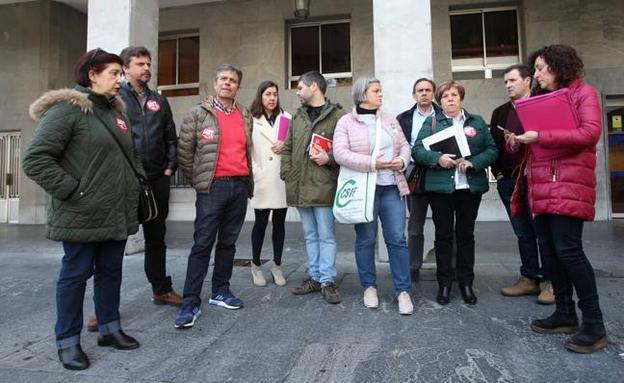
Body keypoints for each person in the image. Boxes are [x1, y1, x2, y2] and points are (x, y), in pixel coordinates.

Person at [23, 48, 141, 370]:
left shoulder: (117, 113)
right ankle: (67, 341)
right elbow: (35, 159)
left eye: (121, 73)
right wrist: (74, 190)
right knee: (74, 277)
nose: (121, 79)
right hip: (81, 212)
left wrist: (137, 182)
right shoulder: (68, 110)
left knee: (111, 274)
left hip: (115, 212)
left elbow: (129, 158)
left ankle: (109, 328)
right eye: (114, 73)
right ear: (92, 74)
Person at [510, 45, 607, 353]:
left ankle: (593, 324)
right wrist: (519, 142)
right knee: (549, 252)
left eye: (540, 68)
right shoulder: (540, 99)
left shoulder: (584, 93)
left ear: (558, 66)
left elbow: (590, 133)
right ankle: (565, 313)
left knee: (570, 252)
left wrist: (541, 136)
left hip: (568, 183)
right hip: (540, 185)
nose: (536, 75)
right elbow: (536, 143)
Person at [174, 64, 253, 328]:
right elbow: (185, 153)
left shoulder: (245, 114)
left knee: (228, 244)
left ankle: (220, 291)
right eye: (223, 79)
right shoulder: (198, 113)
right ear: (215, 82)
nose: (227, 83)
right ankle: (190, 302)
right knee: (202, 244)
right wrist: (200, 180)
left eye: (233, 80)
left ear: (238, 87)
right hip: (212, 188)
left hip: (239, 186)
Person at [413, 80, 498, 306]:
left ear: (461, 97)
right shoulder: (432, 122)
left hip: (469, 189)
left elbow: (492, 149)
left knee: (465, 236)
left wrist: (474, 163)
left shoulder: (477, 122)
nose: (450, 98)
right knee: (443, 237)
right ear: (439, 101)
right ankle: (444, 284)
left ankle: (466, 283)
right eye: (445, 96)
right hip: (441, 189)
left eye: (454, 94)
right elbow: (417, 150)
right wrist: (437, 158)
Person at [333, 76, 413, 315]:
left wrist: (401, 160)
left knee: (397, 239)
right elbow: (339, 153)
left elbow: (405, 145)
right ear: (362, 94)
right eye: (376, 91)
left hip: (391, 186)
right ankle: (369, 287)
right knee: (366, 239)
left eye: (381, 90)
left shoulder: (389, 120)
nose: (381, 94)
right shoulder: (346, 122)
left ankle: (403, 291)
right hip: (364, 189)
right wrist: (371, 163)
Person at [118, 46, 181, 305]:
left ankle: (161, 290)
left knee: (157, 237)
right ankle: (105, 305)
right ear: (125, 68)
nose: (146, 68)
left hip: (157, 178)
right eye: (140, 64)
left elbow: (170, 137)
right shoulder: (115, 99)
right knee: (114, 242)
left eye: (148, 64)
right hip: (126, 180)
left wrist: (170, 167)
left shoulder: (159, 100)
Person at [491, 64, 554, 305]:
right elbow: (494, 147)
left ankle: (551, 282)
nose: (507, 85)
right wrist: (498, 174)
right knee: (523, 233)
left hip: (538, 180)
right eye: (505, 81)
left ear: (528, 80)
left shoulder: (544, 104)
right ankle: (529, 278)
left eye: (512, 80)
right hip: (509, 181)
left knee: (544, 233)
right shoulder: (500, 112)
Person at [281, 71, 345, 304]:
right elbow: (287, 148)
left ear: (314, 87)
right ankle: (315, 277)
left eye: (300, 87)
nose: (297, 92)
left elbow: (346, 150)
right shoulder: (297, 117)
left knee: (326, 236)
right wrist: (286, 173)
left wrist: (328, 158)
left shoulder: (338, 116)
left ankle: (327, 280)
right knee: (310, 235)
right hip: (299, 184)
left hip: (325, 185)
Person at [396, 78, 442, 281]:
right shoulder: (403, 118)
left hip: (440, 172)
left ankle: (447, 266)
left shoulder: (444, 115)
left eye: (427, 90)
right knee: (415, 226)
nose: (423, 93)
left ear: (433, 93)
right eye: (419, 90)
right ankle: (413, 267)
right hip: (414, 175)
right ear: (414, 94)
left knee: (445, 224)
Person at [248, 80, 290, 287]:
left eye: (274, 94)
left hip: (281, 178)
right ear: (260, 96)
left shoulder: (287, 118)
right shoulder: (251, 119)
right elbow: (246, 148)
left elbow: (292, 145)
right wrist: (255, 171)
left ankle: (277, 266)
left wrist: (286, 146)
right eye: (267, 94)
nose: (272, 98)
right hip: (262, 178)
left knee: (280, 224)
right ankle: (255, 265)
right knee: (261, 223)